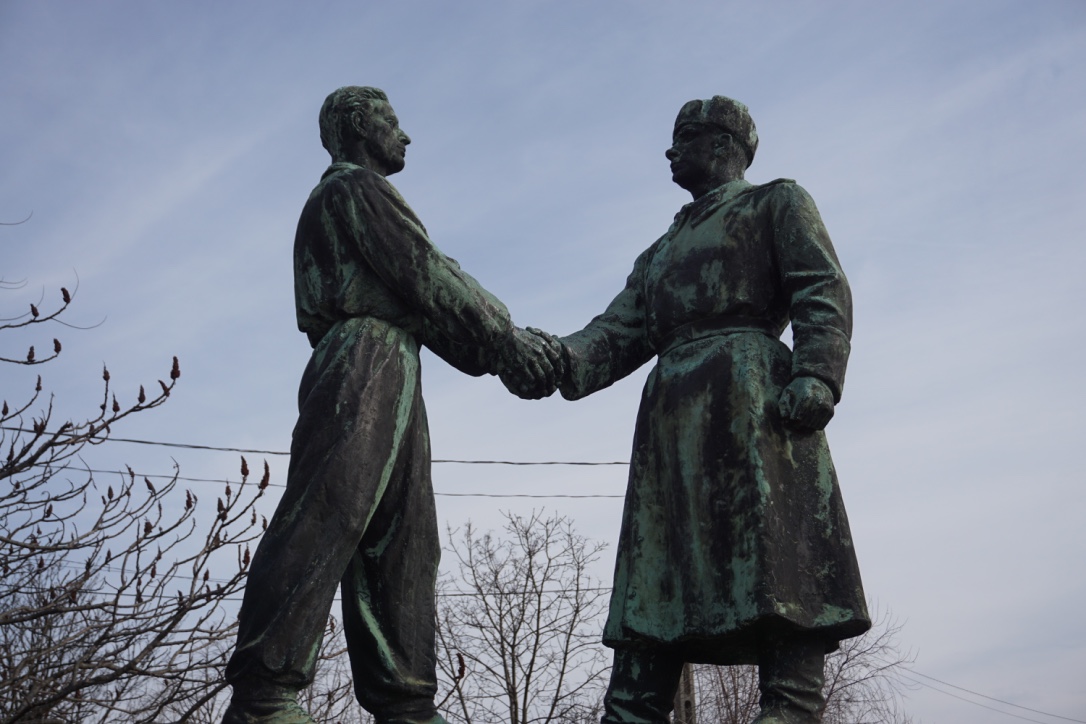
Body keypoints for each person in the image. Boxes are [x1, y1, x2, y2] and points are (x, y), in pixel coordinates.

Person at [510, 97, 870, 723]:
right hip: (672, 423)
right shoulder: (661, 251)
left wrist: (817, 373)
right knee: (654, 599)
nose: (670, 151)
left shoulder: (776, 202)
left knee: (780, 577)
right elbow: (616, 333)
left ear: (723, 143)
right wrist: (552, 359)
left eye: (684, 137)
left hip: (753, 405)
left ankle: (790, 709)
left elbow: (821, 286)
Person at [223, 86, 558, 724]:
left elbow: (426, 304)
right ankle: (264, 693)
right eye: (392, 122)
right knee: (328, 511)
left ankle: (406, 701)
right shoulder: (352, 189)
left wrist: (496, 350)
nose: (404, 136)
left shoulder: (359, 195)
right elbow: (425, 272)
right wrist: (507, 341)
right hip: (362, 356)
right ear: (358, 125)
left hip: (395, 359)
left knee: (406, 537)